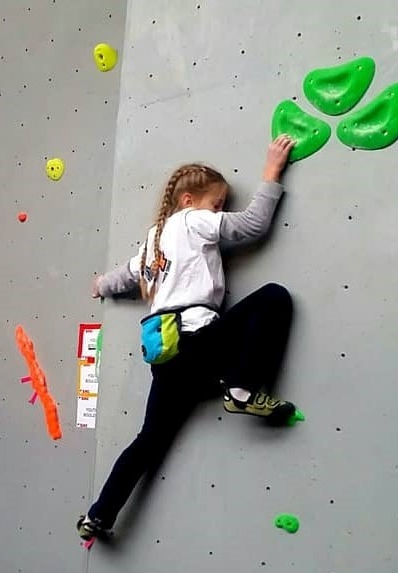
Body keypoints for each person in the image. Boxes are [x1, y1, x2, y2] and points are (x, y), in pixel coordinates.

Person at [77, 134, 299, 540]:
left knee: (148, 440)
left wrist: (99, 285)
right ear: (189, 201)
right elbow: (252, 225)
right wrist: (271, 172)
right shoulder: (191, 220)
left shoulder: (150, 242)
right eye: (217, 204)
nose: (220, 211)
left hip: (166, 356)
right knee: (273, 297)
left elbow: (123, 277)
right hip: (198, 337)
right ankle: (243, 390)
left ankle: (99, 514)